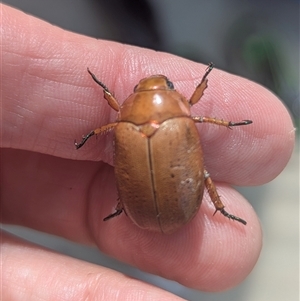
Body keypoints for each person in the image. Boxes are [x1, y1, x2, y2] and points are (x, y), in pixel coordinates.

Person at [0, 4, 295, 300]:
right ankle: (220, 209)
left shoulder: (121, 125)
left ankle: (191, 209)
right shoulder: (183, 116)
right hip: (173, 206)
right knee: (203, 175)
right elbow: (198, 111)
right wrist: (212, 91)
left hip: (143, 208)